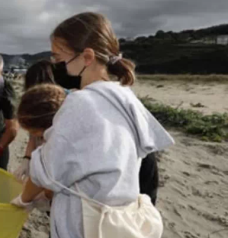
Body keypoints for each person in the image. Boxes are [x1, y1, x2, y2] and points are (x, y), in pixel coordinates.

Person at [11, 12, 174, 238]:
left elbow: (46, 171)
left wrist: (23, 199)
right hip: (122, 217)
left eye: (60, 60)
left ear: (87, 56)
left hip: (87, 225)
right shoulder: (125, 96)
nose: (60, 68)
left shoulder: (81, 102)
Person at [15, 60, 160, 205]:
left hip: (129, 184)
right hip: (123, 176)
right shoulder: (70, 102)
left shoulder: (78, 123)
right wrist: (28, 159)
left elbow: (47, 173)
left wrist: (25, 200)